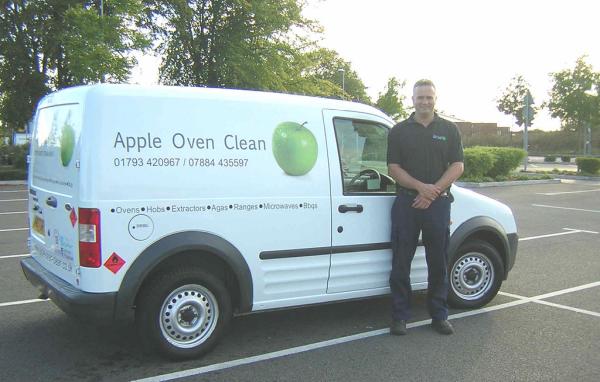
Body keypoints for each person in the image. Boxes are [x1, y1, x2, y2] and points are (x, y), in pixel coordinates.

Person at [386, 79, 464, 335]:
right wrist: (422, 188)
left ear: (435, 99)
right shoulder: (399, 131)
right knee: (400, 262)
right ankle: (400, 317)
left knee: (438, 262)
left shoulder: (449, 129)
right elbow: (393, 168)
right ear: (413, 99)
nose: (424, 102)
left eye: (429, 97)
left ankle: (439, 315)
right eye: (420, 97)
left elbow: (457, 166)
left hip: (438, 204)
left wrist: (433, 192)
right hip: (407, 203)